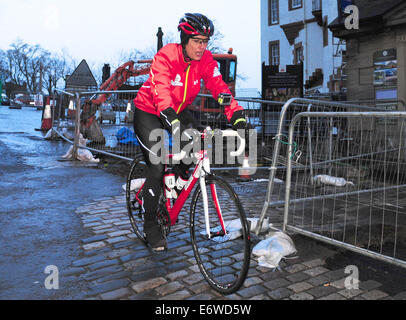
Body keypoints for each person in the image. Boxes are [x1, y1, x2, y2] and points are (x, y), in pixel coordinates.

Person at [133, 13, 247, 251]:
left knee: (195, 146)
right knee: (156, 164)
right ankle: (151, 224)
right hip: (150, 110)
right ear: (184, 39)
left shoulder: (205, 60)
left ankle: (176, 181)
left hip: (178, 110)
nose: (202, 46)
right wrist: (171, 121)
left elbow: (219, 88)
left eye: (205, 41)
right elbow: (161, 91)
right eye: (197, 41)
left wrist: (235, 113)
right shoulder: (166, 56)